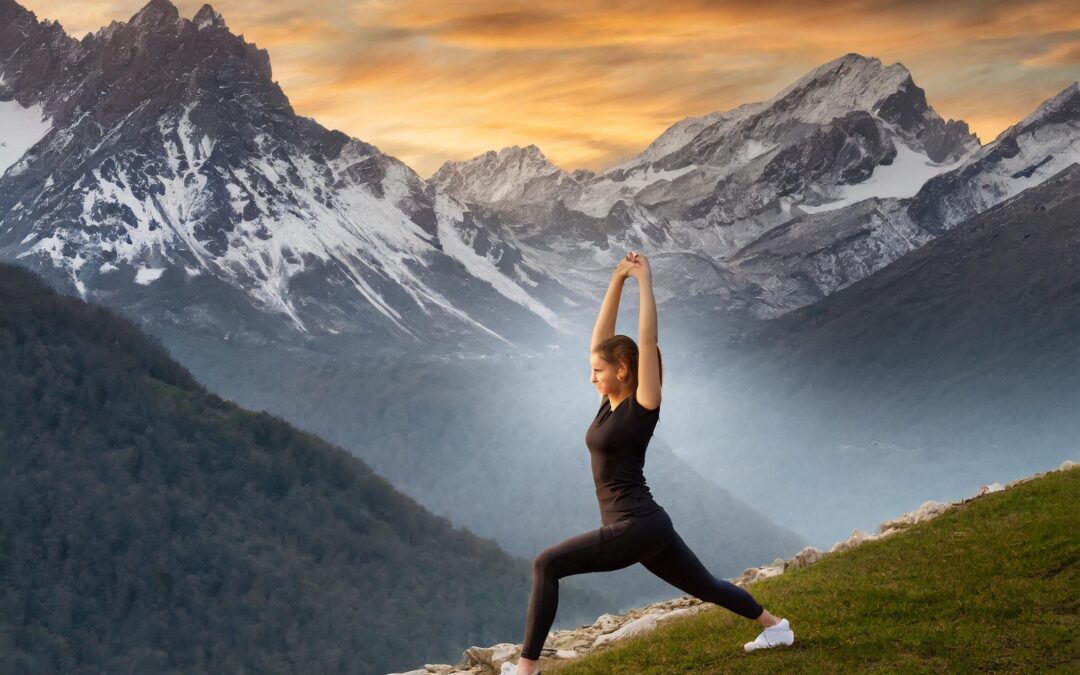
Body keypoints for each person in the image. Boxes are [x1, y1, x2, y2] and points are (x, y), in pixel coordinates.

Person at [502, 250, 794, 675]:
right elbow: (598, 342)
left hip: (633, 526)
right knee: (707, 587)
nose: (592, 377)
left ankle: (526, 671)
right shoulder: (608, 401)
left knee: (546, 563)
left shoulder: (643, 404)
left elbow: (648, 341)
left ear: (623, 369)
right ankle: (776, 627)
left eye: (598, 370)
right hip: (649, 525)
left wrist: (645, 282)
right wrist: (617, 278)